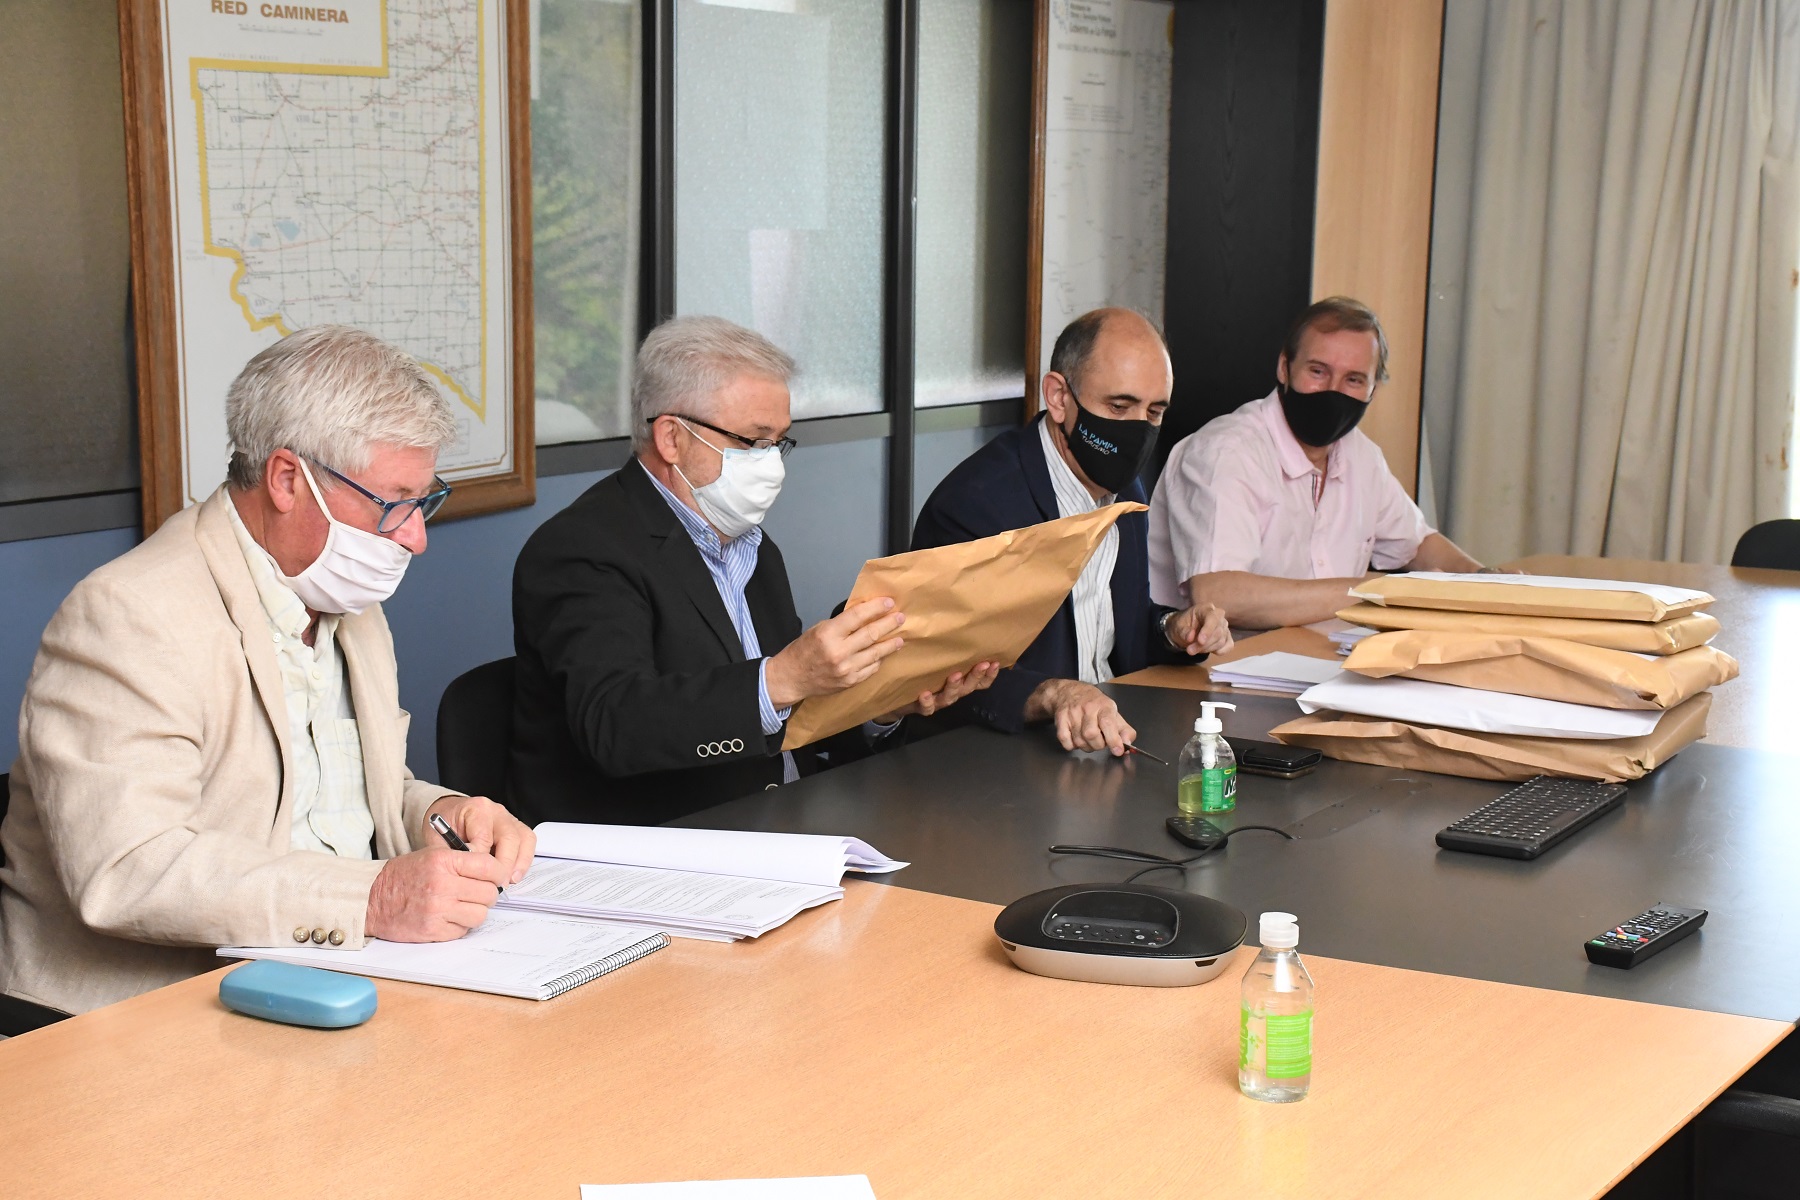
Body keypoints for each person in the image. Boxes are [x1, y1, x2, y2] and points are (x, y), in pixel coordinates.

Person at [0, 326, 535, 1015]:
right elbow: (128, 868)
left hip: (328, 975)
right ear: (287, 480)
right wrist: (372, 898)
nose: (415, 537)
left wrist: (440, 814)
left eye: (423, 501)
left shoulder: (347, 603)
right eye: (394, 504)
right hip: (147, 1014)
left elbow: (347, 795)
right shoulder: (127, 615)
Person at [509, 316, 998, 828]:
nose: (771, 464)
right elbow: (616, 725)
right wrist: (783, 677)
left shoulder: (752, 546)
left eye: (778, 442)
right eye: (752, 441)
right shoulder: (582, 549)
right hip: (666, 846)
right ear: (671, 437)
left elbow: (792, 720)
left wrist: (883, 705)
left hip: (792, 821)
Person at [911, 308, 1233, 757]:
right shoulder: (976, 503)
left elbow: (1112, 627)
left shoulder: (1125, 488)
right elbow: (937, 671)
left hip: (1111, 738)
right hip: (1001, 757)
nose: (1138, 430)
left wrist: (1171, 629)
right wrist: (1053, 694)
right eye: (1118, 407)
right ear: (1059, 397)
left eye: (1154, 411)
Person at [1148, 296, 1486, 629]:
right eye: (1318, 371)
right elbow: (1220, 595)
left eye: (1353, 380)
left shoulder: (1361, 455)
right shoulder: (1225, 452)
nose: (1333, 390)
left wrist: (1486, 580)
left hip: (1316, 654)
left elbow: (1417, 544)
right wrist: (1375, 590)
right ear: (1284, 368)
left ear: (1373, 390)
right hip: (1216, 661)